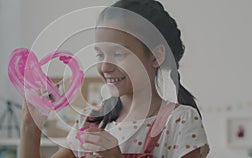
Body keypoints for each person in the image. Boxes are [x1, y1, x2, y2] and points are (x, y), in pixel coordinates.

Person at [19, 0, 210, 157]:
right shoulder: (91, 121)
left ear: (156, 56)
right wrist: (30, 125)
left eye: (119, 54)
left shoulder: (180, 121)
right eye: (100, 55)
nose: (105, 67)